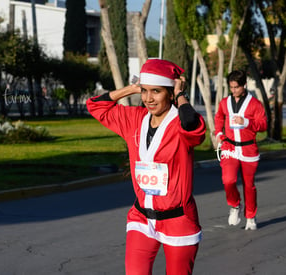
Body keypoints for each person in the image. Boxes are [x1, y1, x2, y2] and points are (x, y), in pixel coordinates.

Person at [86, 59, 206, 275]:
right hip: (141, 217)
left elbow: (194, 127)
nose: (148, 98)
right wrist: (133, 88)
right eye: (145, 91)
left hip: (178, 219)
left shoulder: (180, 123)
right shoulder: (134, 118)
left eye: (156, 91)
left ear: (169, 93)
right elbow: (95, 105)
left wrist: (180, 95)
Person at [214, 70, 267, 230]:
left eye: (236, 87)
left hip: (248, 149)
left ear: (244, 85)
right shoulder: (225, 102)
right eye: (231, 87)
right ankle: (235, 205)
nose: (234, 90)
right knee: (228, 180)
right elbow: (219, 117)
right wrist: (219, 133)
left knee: (248, 185)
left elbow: (263, 125)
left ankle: (250, 216)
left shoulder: (255, 104)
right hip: (229, 147)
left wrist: (247, 122)